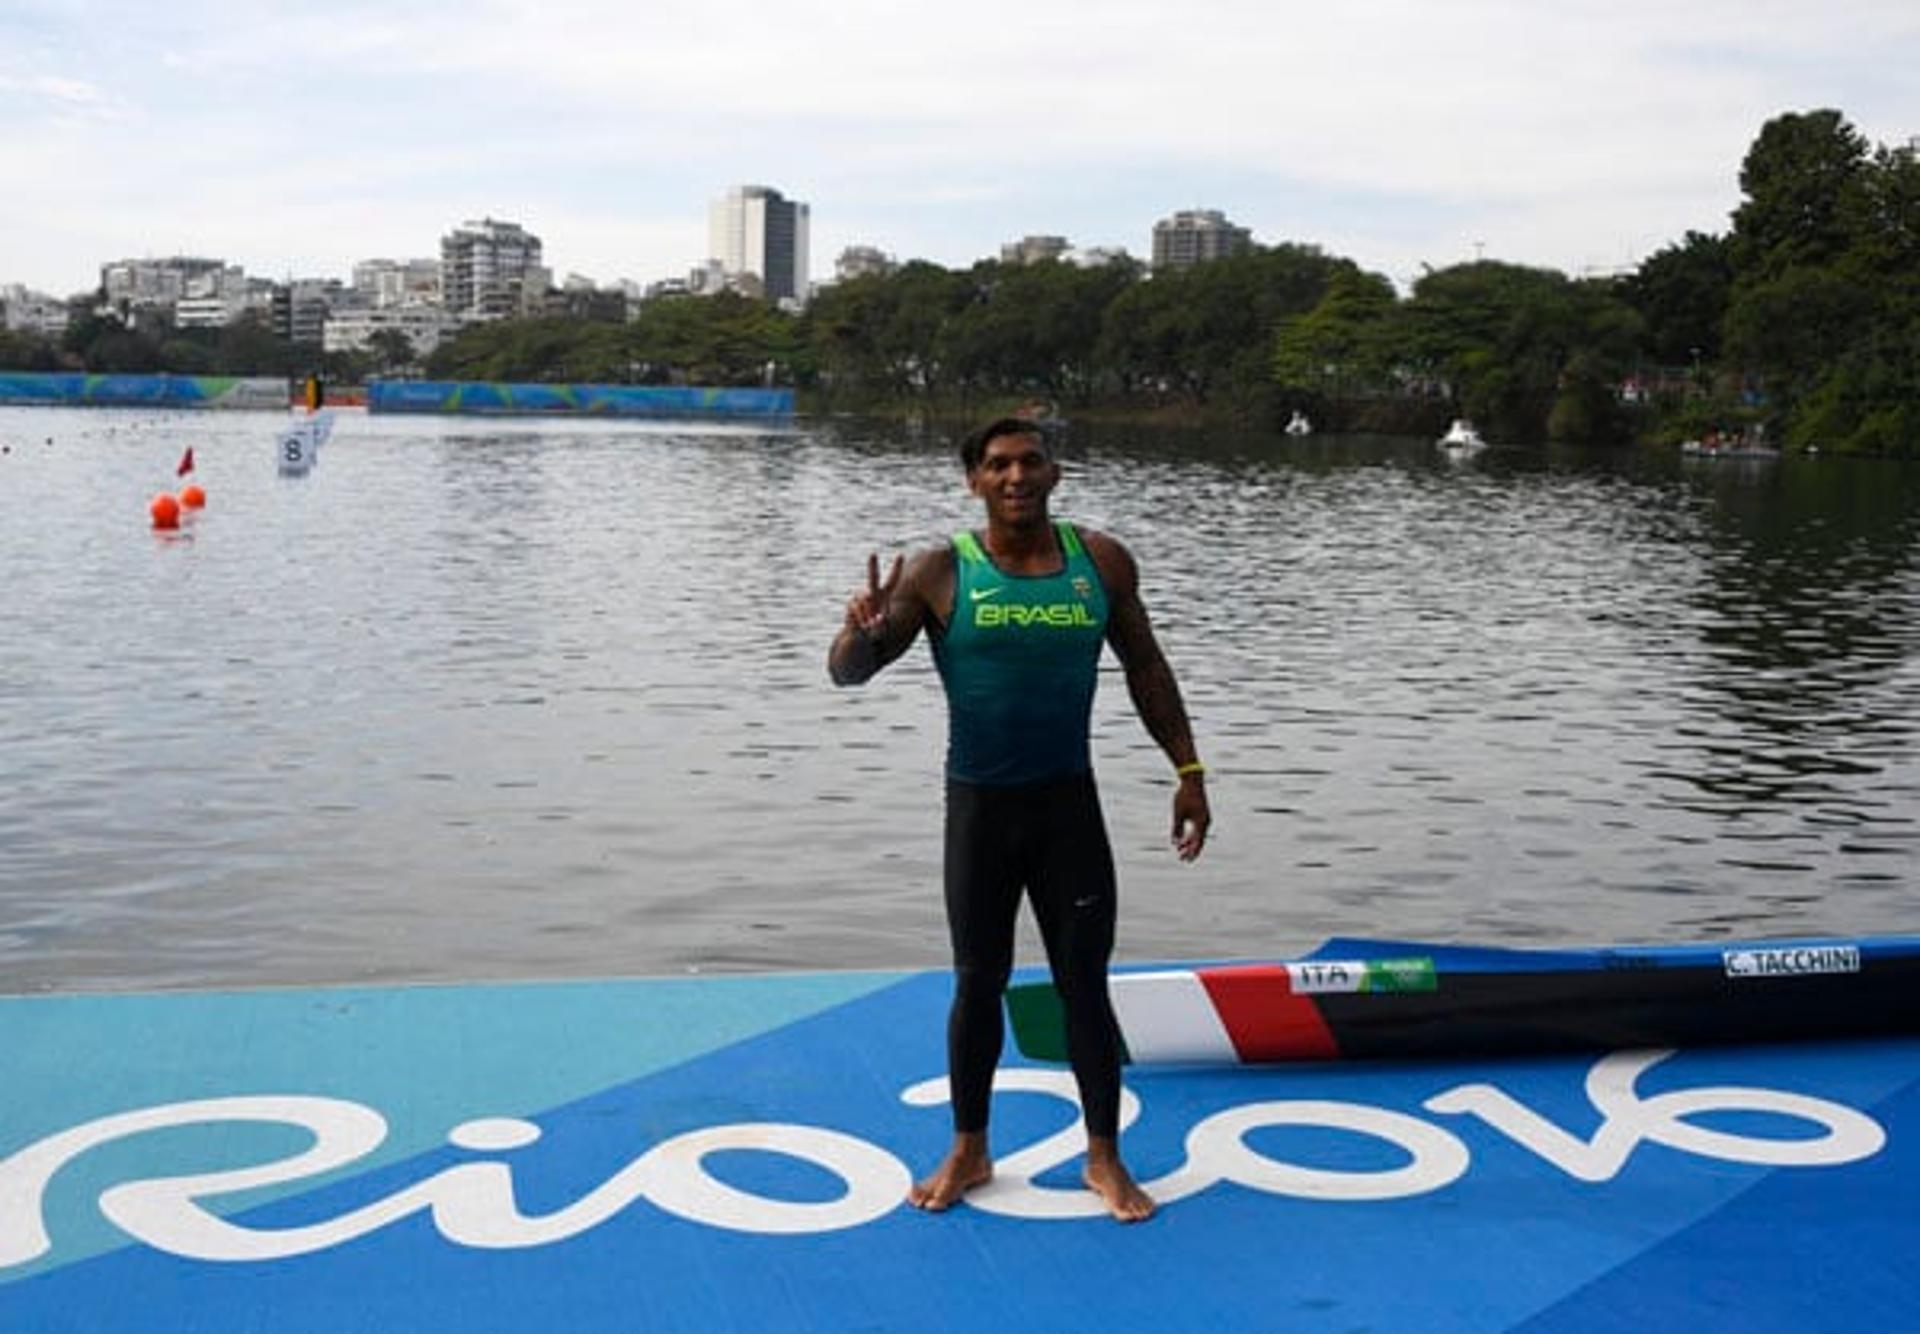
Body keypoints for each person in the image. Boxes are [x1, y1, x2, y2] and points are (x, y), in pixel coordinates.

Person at [828, 416, 1211, 1222]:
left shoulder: (1099, 563)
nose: (1015, 477)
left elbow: (1145, 665)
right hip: (979, 812)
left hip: (1068, 806)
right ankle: (970, 1146)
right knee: (979, 982)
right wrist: (856, 633)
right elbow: (852, 676)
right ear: (974, 480)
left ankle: (1102, 1158)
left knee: (1085, 986)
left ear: (1054, 472)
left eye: (1030, 461)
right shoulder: (939, 571)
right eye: (997, 465)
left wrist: (1188, 770)